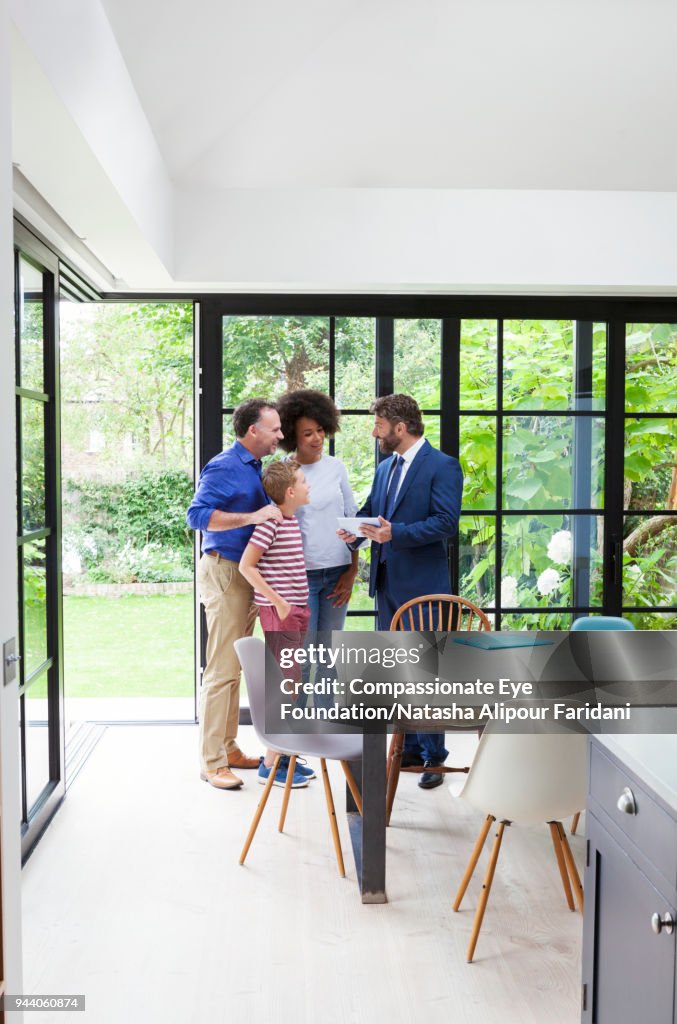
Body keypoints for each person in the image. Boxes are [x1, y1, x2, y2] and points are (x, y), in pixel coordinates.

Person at [338, 393, 463, 789]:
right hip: (387, 583)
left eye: (378, 425)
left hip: (424, 587)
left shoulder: (443, 466)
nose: (374, 432)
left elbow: (446, 522)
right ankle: (406, 744)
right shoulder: (385, 466)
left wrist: (398, 533)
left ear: (400, 427)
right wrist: (354, 533)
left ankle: (433, 756)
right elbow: (375, 510)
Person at [186, 398, 283, 791]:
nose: (280, 434)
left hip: (246, 573)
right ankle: (212, 763)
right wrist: (252, 517)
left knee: (236, 665)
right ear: (252, 431)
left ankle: (228, 749)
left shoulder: (256, 468)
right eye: (274, 428)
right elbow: (196, 514)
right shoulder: (225, 466)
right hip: (226, 571)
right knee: (221, 669)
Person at [276, 390, 359, 703]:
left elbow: (351, 519)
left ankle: (324, 731)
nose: (317, 438)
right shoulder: (282, 471)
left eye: (321, 431)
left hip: (337, 572)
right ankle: (292, 740)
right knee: (302, 656)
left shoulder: (336, 468)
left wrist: (352, 570)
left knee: (327, 656)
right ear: (292, 436)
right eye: (308, 433)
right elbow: (277, 525)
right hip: (301, 577)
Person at [239, 460, 316, 788]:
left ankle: (284, 756)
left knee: (292, 683)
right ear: (289, 491)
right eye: (302, 481)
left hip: (296, 611)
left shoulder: (289, 520)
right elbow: (247, 566)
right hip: (281, 612)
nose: (307, 485)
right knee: (286, 685)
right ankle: (272, 764)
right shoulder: (271, 522)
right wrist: (280, 601)